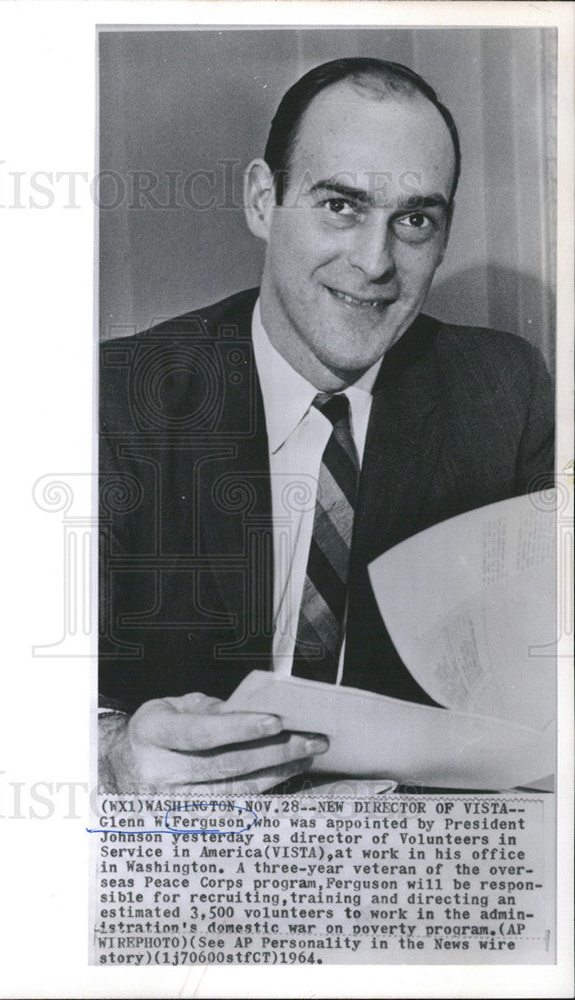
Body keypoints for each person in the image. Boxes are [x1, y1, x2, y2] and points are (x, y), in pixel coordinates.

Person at [97, 58, 554, 794]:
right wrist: (111, 752)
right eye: (340, 206)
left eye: (413, 220)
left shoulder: (503, 393)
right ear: (260, 199)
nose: (374, 262)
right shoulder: (120, 397)